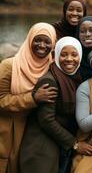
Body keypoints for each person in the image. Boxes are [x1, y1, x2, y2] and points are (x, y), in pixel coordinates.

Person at [19, 36, 92, 173]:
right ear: (57, 55)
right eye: (63, 55)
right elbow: (46, 120)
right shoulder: (50, 81)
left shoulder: (76, 77)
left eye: (74, 54)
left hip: (59, 141)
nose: (69, 59)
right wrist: (75, 144)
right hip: (42, 146)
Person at [0, 22, 57, 173]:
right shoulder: (9, 66)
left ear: (53, 44)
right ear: (29, 39)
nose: (42, 45)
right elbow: (1, 100)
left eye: (47, 41)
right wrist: (32, 99)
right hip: (9, 130)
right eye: (37, 40)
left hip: (35, 132)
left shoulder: (52, 67)